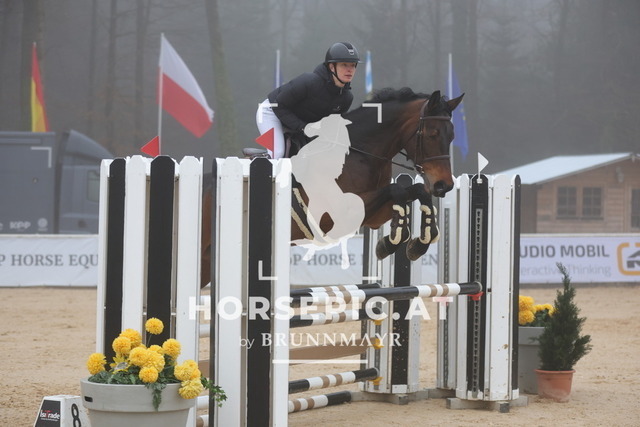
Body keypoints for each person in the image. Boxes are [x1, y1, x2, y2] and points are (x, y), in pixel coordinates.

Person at [256, 42, 360, 159]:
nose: (350, 70)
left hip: (297, 120)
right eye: (344, 65)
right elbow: (279, 105)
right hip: (271, 112)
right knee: (277, 152)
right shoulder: (309, 82)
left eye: (353, 65)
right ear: (332, 67)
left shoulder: (347, 98)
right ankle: (259, 165)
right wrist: (303, 127)